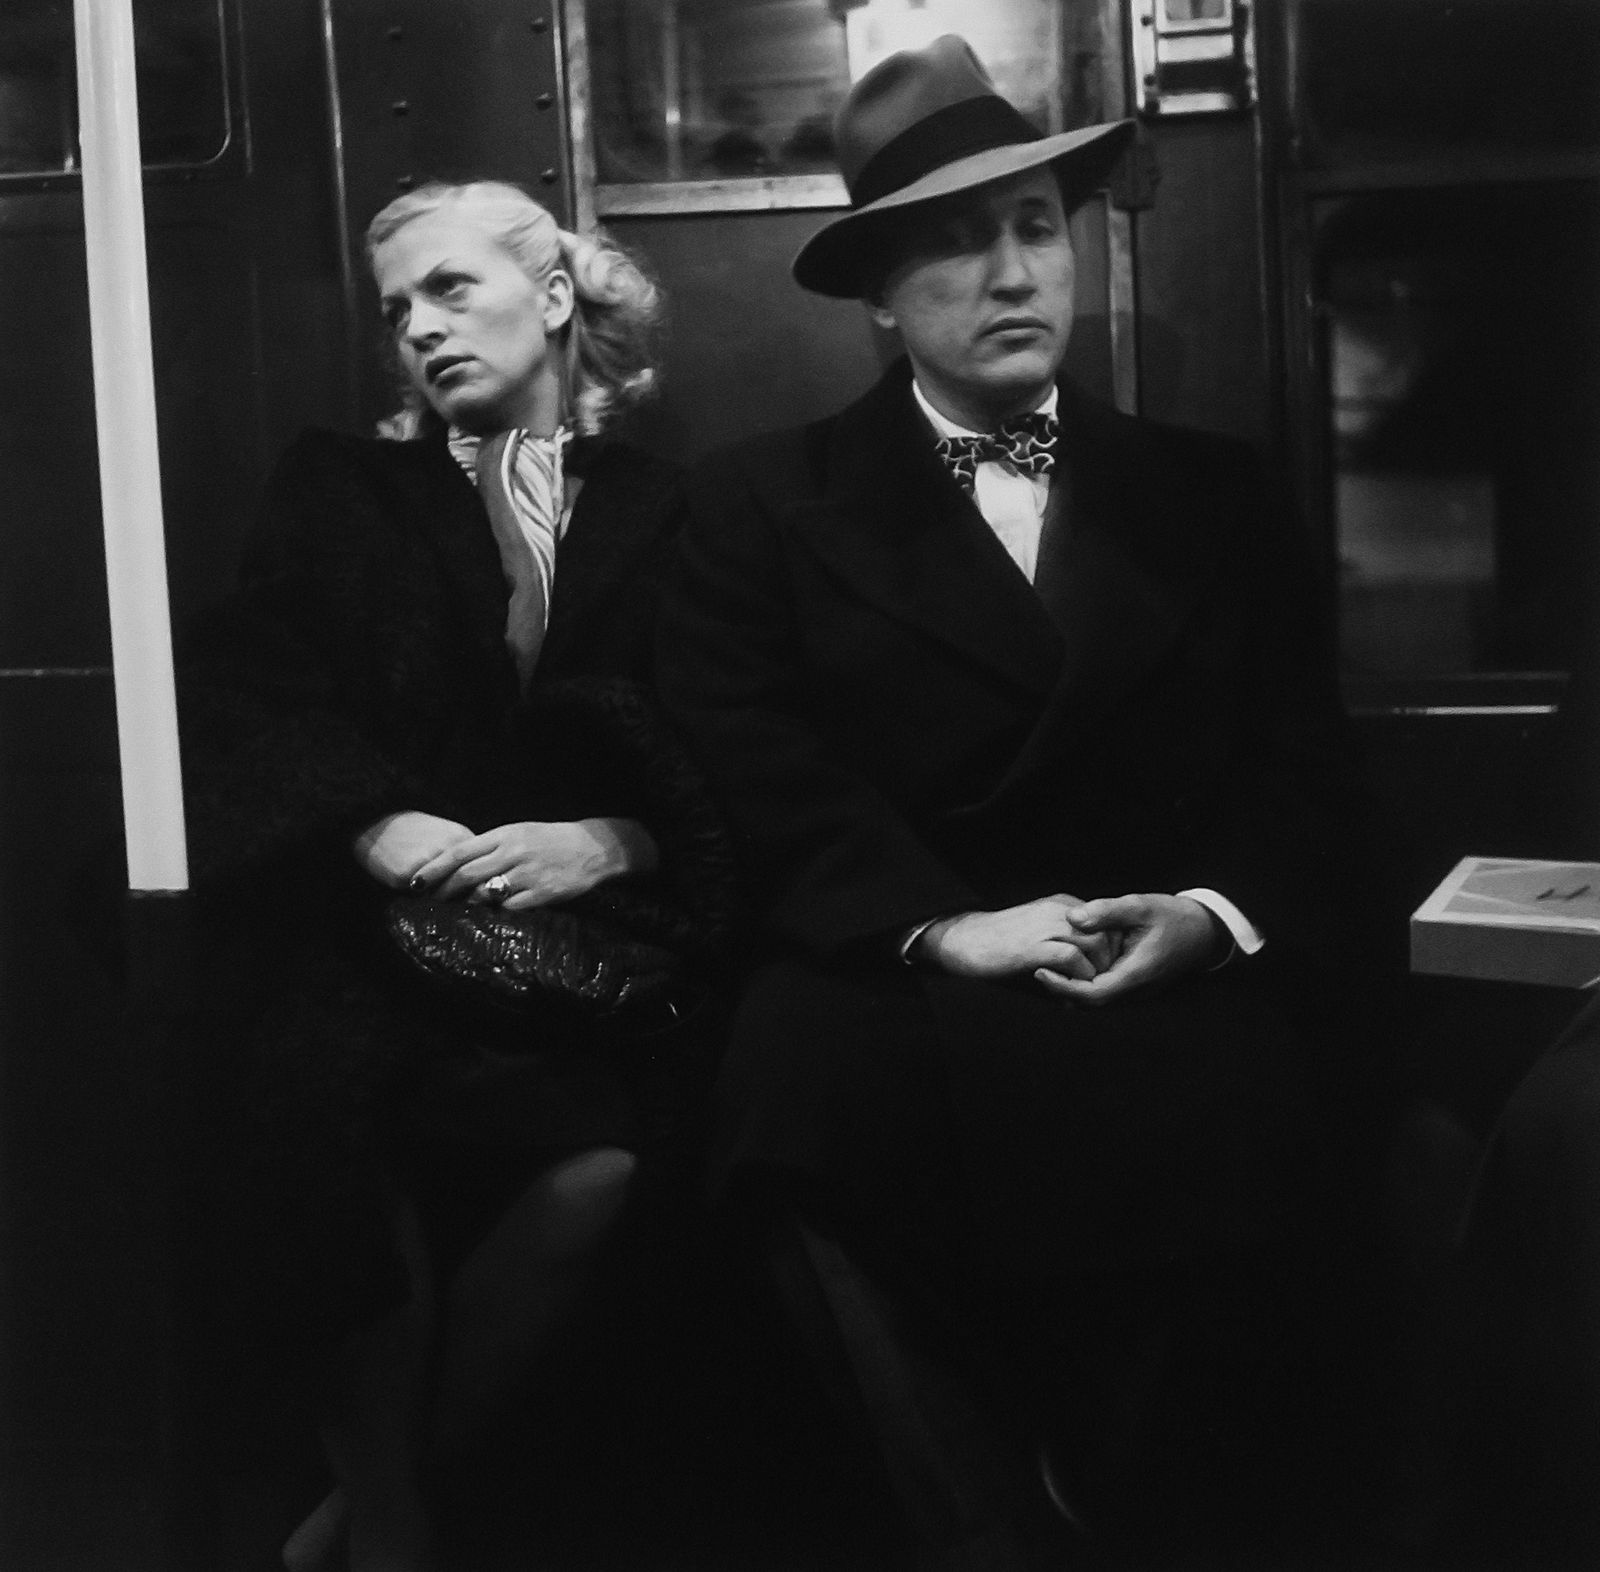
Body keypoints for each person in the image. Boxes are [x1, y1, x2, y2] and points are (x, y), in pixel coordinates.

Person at [658, 35, 1379, 1557]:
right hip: (902, 972)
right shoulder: (759, 508)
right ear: (880, 295)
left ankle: (1115, 1507)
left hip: (1153, 969)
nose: (1010, 274)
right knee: (795, 1118)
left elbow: (1297, 764)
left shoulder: (1211, 494)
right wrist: (941, 927)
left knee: (1259, 1132)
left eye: (1036, 229)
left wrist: (1210, 912)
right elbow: (756, 771)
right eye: (955, 243)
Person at [177, 180, 728, 1571]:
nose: (419, 329)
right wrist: (372, 825)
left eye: (450, 289)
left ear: (552, 300)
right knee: (335, 1134)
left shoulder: (676, 511)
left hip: (569, 940)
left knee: (605, 1163)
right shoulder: (343, 486)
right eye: (396, 312)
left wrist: (616, 842)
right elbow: (249, 687)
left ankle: (377, 1499)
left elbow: (731, 726)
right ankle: (402, 1526)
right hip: (360, 928)